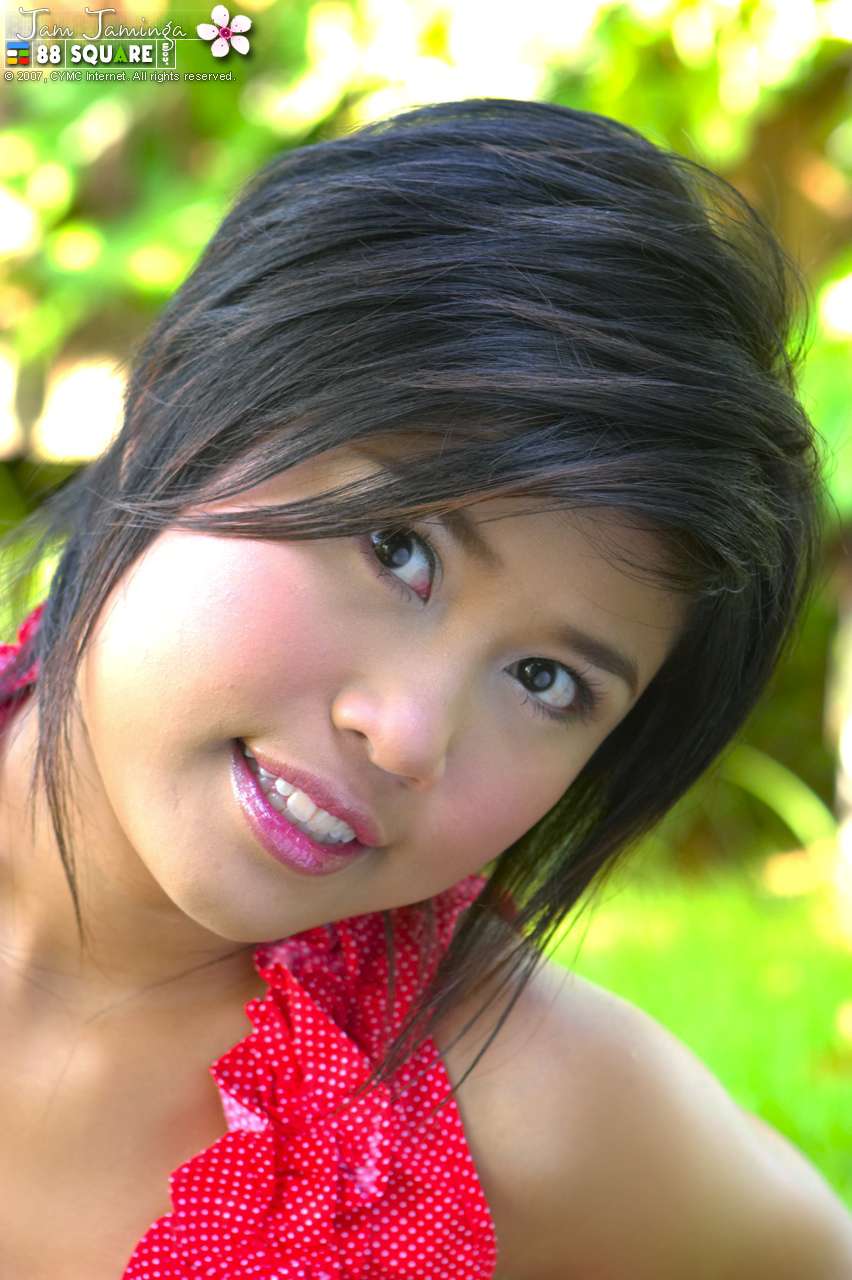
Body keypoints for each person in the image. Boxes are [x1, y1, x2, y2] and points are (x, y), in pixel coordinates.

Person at [0, 97, 849, 1279]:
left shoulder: (520, 1111)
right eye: (398, 547)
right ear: (177, 407)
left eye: (547, 680)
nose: (407, 733)